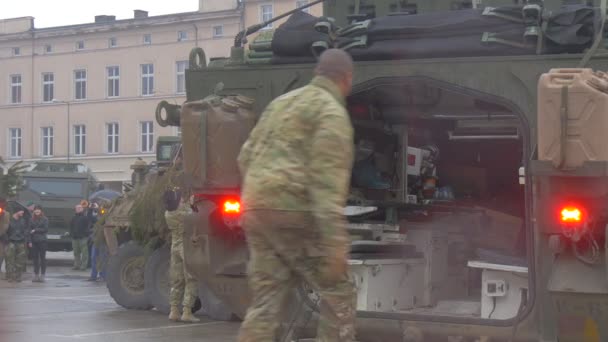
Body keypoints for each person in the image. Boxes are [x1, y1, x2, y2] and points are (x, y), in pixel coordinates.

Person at [236, 49, 357, 342]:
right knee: (338, 293)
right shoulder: (331, 112)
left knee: (266, 302)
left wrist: (261, 196)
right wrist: (335, 245)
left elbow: (244, 156)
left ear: (318, 72)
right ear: (346, 80)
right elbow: (327, 184)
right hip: (296, 213)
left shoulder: (281, 103)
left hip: (255, 209)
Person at [164, 189, 200, 323]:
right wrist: (191, 203)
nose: (182, 200)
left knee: (177, 279)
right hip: (185, 248)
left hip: (175, 247)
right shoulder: (183, 213)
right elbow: (194, 216)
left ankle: (174, 310)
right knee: (191, 278)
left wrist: (185, 202)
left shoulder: (168, 213)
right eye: (180, 199)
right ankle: (187, 311)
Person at [5, 208, 28, 283]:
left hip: (20, 242)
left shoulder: (22, 220)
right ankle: (10, 277)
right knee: (9, 261)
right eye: (21, 211)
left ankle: (18, 277)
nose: (22, 213)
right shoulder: (9, 220)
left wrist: (24, 237)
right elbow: (4, 230)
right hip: (11, 242)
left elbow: (25, 230)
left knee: (20, 261)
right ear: (16, 212)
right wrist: (7, 239)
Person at [29, 205, 49, 283]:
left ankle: (43, 275)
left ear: (41, 211)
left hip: (42, 241)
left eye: (38, 210)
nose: (37, 211)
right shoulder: (31, 219)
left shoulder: (45, 219)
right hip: (34, 241)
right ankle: (36, 274)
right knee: (35, 259)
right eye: (36, 210)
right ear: (34, 211)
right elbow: (29, 231)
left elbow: (45, 229)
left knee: (42, 258)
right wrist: (30, 241)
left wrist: (35, 230)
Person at [69, 204, 90, 271]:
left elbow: (88, 227)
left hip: (83, 238)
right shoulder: (73, 218)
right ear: (75, 209)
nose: (78, 209)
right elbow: (71, 227)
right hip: (75, 238)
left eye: (80, 208)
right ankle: (76, 265)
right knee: (76, 253)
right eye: (77, 208)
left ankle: (83, 266)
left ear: (82, 209)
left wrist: (86, 235)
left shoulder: (85, 218)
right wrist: (72, 234)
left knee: (84, 253)